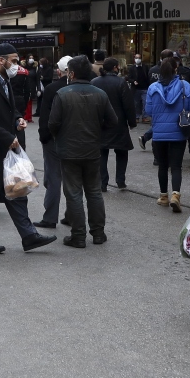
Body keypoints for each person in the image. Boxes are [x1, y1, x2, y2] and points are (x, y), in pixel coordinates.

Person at [0, 43, 56, 254]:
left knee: (17, 192)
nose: (17, 65)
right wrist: (8, 137)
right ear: (2, 60)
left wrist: (17, 119)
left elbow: (9, 108)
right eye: (14, 61)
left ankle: (29, 236)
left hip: (6, 150)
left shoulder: (5, 80)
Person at [48, 56, 117, 248]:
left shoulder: (62, 94)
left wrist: (60, 137)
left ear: (71, 73)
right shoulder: (100, 94)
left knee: (74, 193)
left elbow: (53, 123)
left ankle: (78, 235)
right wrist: (97, 131)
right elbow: (113, 122)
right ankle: (98, 233)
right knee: (94, 192)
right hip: (92, 149)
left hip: (68, 150)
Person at [146, 57, 190, 213]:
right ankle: (176, 195)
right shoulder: (184, 85)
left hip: (159, 134)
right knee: (176, 166)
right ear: (176, 69)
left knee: (162, 166)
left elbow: (148, 111)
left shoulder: (152, 88)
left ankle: (163, 196)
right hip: (178, 132)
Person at [34, 56, 71, 229]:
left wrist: (44, 136)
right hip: (77, 140)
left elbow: (45, 115)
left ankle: (50, 217)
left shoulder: (52, 88)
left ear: (60, 71)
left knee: (53, 177)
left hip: (54, 139)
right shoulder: (86, 87)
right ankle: (72, 214)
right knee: (73, 179)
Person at [92, 57, 135, 192]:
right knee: (122, 151)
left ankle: (102, 183)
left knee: (101, 152)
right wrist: (131, 121)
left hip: (100, 122)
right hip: (118, 122)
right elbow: (128, 104)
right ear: (115, 67)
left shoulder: (94, 82)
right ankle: (120, 180)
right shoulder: (121, 82)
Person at [9, 58, 35, 147]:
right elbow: (27, 89)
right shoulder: (24, 71)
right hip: (20, 99)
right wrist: (25, 101)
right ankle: (22, 147)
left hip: (9, 98)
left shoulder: (7, 71)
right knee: (20, 125)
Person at [128, 53, 150, 122]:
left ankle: (144, 117)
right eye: (136, 58)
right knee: (136, 104)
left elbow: (148, 76)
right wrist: (133, 81)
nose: (137, 59)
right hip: (136, 88)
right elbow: (129, 78)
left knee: (145, 102)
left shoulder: (145, 67)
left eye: (139, 58)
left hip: (144, 88)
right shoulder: (132, 68)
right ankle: (136, 117)